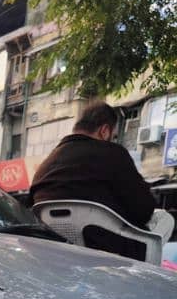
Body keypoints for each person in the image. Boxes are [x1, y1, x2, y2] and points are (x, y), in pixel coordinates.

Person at [29, 102, 174, 249]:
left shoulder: (45, 165)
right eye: (114, 135)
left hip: (57, 246)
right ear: (104, 130)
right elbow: (144, 210)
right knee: (164, 219)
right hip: (109, 248)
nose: (113, 139)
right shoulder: (113, 154)